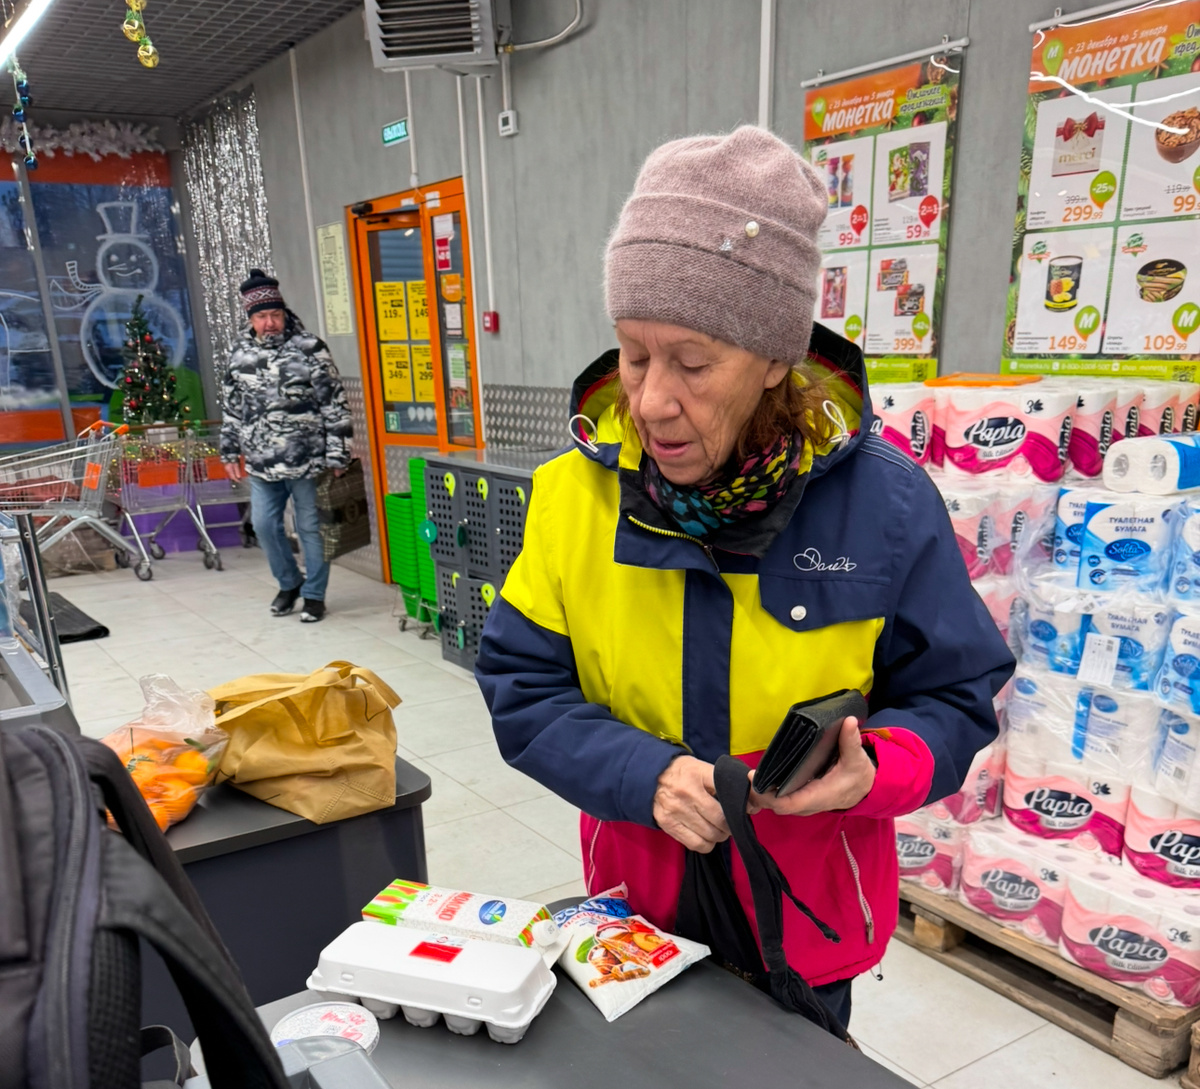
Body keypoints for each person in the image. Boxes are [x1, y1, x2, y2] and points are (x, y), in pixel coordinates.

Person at [475, 126, 1015, 1030]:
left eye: (692, 363)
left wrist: (871, 770)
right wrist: (644, 773)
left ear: (774, 360)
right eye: (634, 354)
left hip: (807, 926)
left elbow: (956, 697)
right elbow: (522, 688)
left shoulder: (884, 505)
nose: (651, 399)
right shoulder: (572, 495)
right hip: (636, 923)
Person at [220, 269, 353, 623]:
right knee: (263, 525)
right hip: (261, 461)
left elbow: (334, 403)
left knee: (310, 528)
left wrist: (339, 452)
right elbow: (232, 407)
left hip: (307, 459)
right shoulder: (238, 352)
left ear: (284, 313)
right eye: (262, 316)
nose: (270, 323)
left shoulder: (310, 348)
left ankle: (314, 595)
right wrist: (229, 450)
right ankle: (290, 582)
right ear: (251, 318)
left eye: (275, 314)